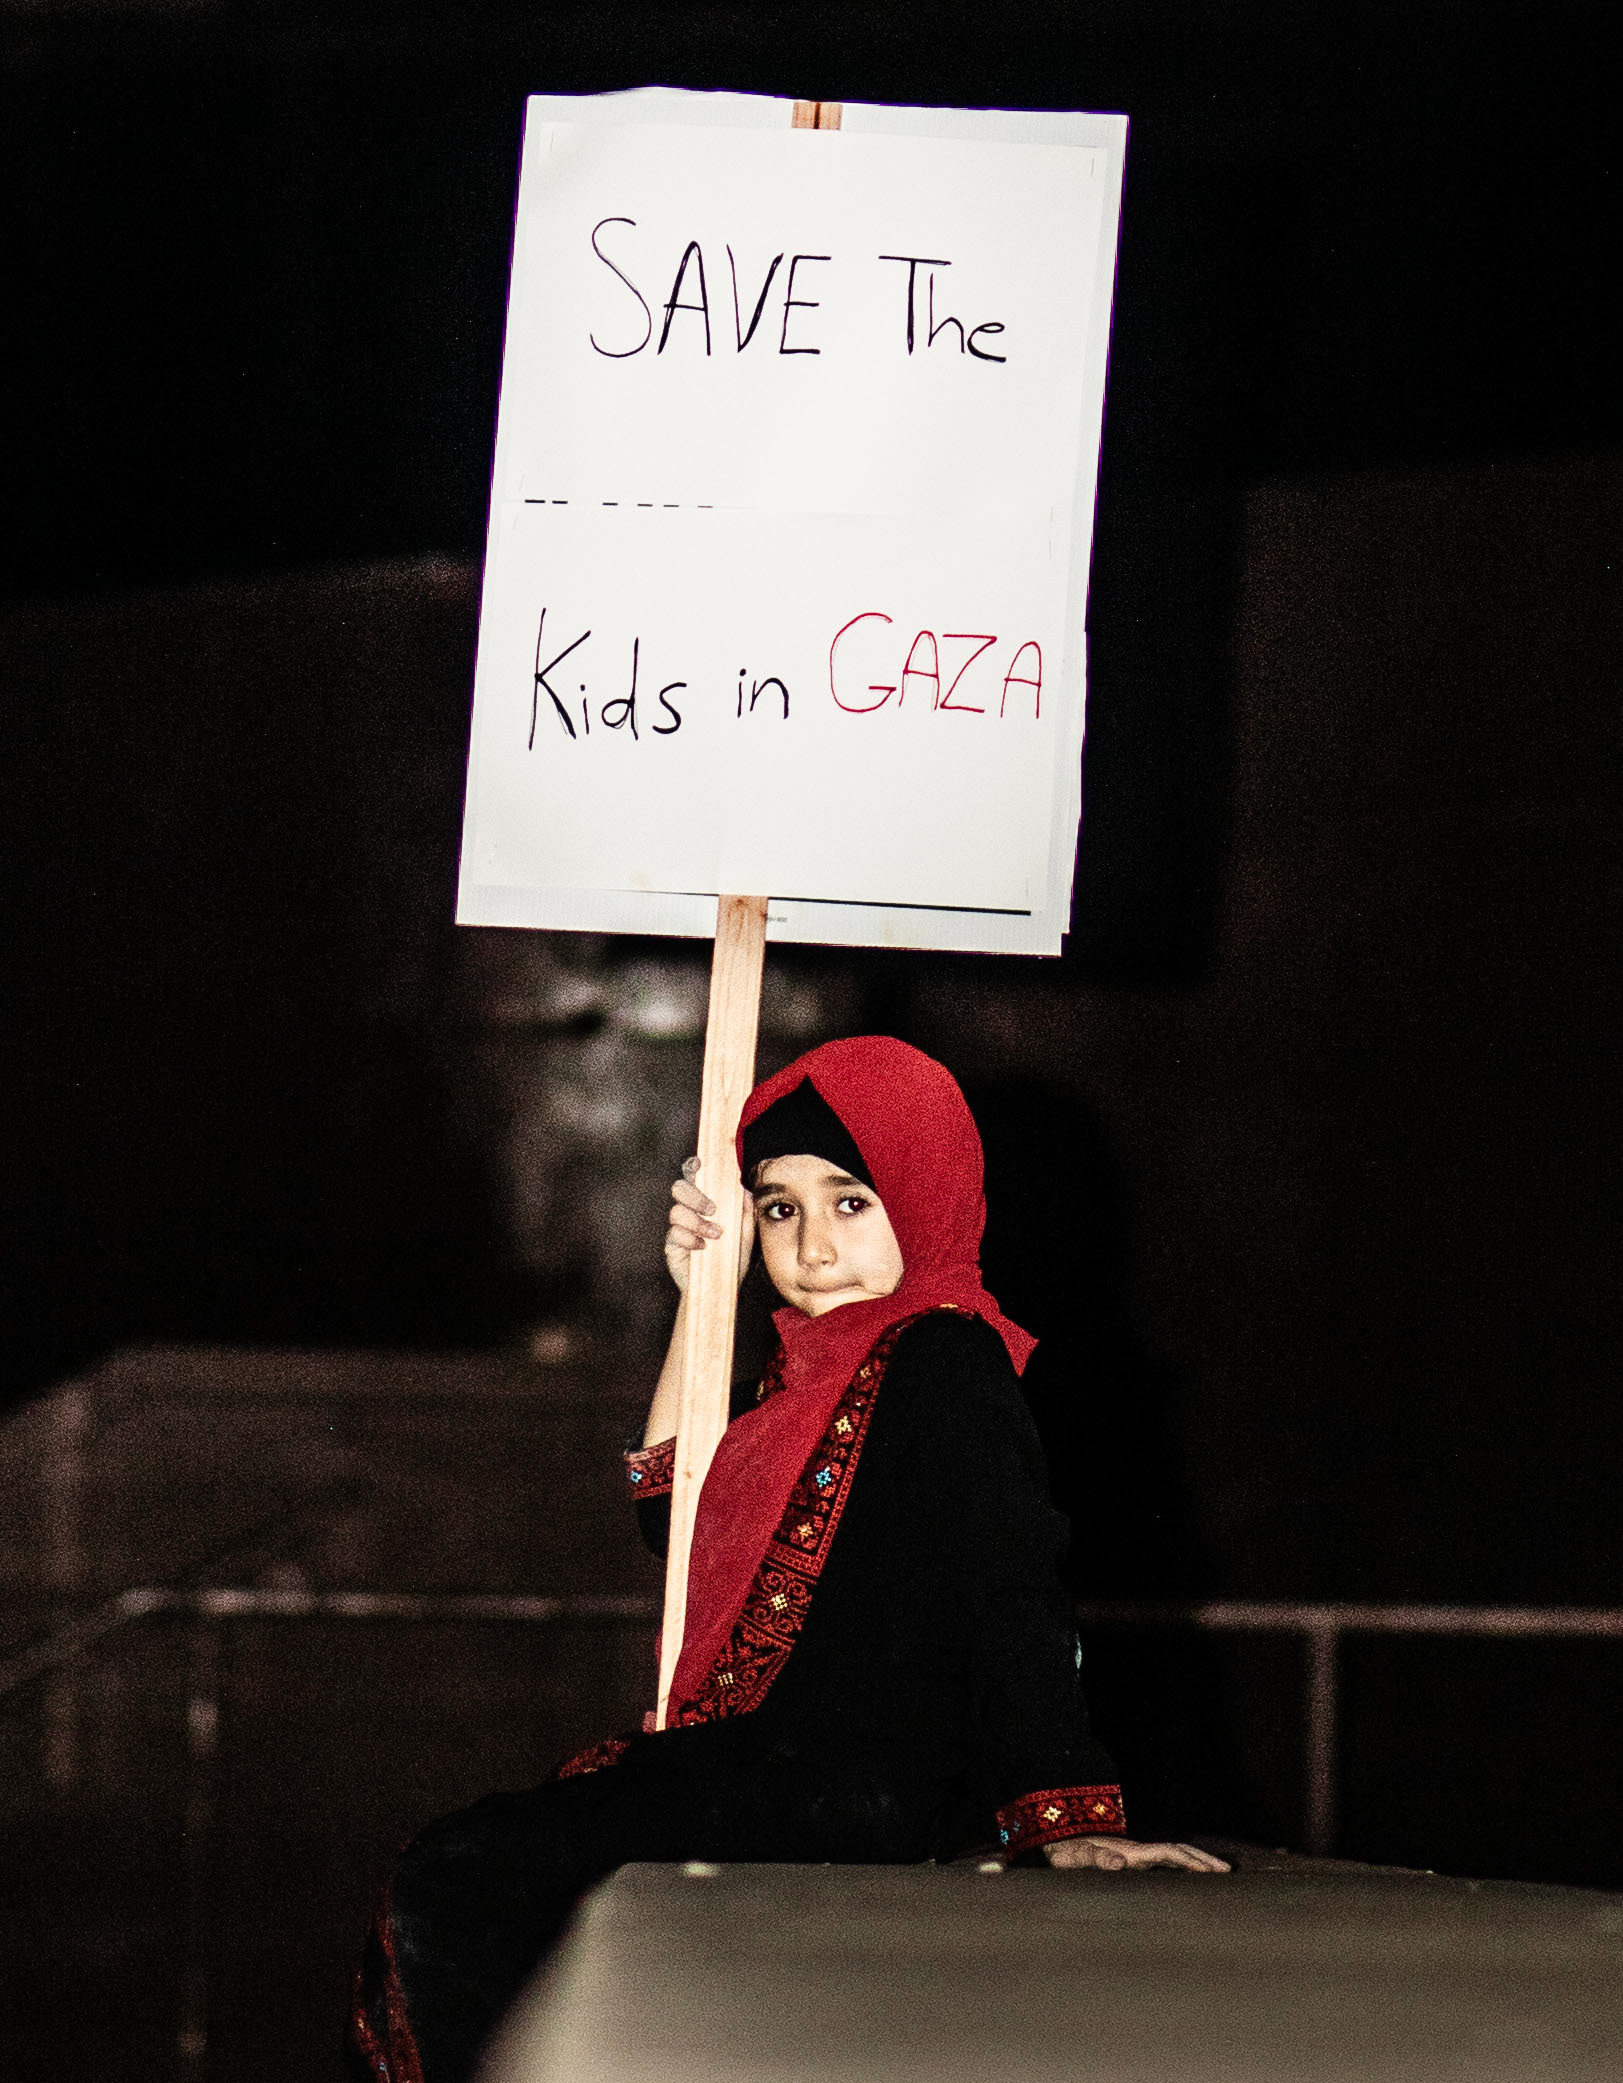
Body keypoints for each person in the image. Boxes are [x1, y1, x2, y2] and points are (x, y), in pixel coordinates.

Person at [352, 1037, 1226, 2083]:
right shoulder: (807, 1380)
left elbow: (1012, 1584)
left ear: (925, 1185)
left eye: (851, 1201)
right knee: (480, 1878)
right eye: (779, 1208)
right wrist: (698, 1294)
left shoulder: (943, 1355)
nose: (812, 1246)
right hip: (777, 1772)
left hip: (849, 1780)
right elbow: (675, 1522)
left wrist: (1066, 1810)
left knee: (461, 1877)